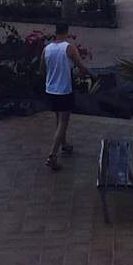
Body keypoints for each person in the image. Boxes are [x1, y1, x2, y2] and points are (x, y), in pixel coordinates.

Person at [43, 22, 90, 171]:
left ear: (55, 31)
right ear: (67, 32)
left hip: (50, 89)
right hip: (64, 90)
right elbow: (81, 66)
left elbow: (41, 68)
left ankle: (64, 144)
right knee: (63, 121)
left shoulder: (47, 49)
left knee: (58, 118)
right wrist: (87, 74)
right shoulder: (69, 48)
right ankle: (52, 155)